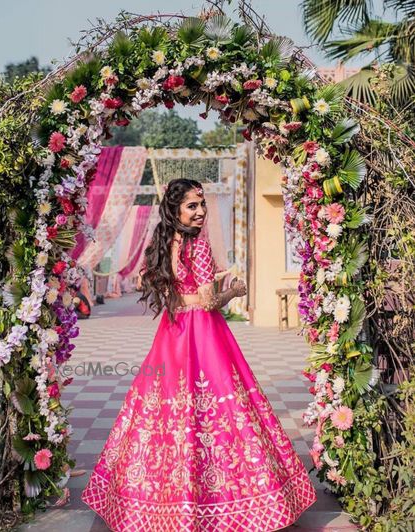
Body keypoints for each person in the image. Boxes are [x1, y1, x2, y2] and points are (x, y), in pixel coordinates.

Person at [81, 178, 317, 530]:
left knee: (163, 408)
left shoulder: (165, 244)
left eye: (202, 204)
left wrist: (197, 291)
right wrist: (233, 291)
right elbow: (207, 300)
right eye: (192, 205)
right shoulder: (199, 247)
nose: (201, 211)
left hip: (173, 334)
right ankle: (232, 501)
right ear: (175, 210)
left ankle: (151, 504)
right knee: (224, 405)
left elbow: (172, 295)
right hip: (205, 335)